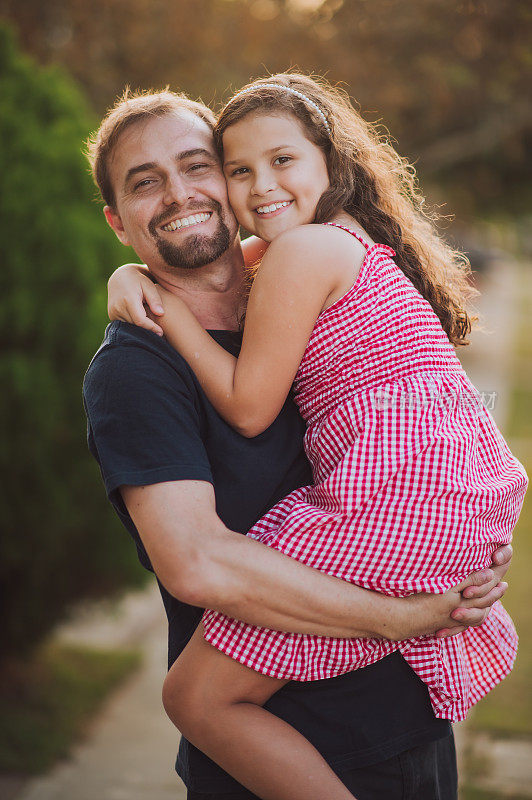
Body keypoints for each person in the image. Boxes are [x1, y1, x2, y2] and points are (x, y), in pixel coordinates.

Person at [85, 87, 513, 800]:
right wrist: (405, 615)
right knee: (195, 699)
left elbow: (278, 408)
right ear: (117, 221)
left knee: (194, 699)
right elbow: (196, 563)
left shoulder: (290, 276)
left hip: (408, 734)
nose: (182, 192)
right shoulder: (137, 368)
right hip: (283, 762)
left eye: (200, 166)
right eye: (145, 182)